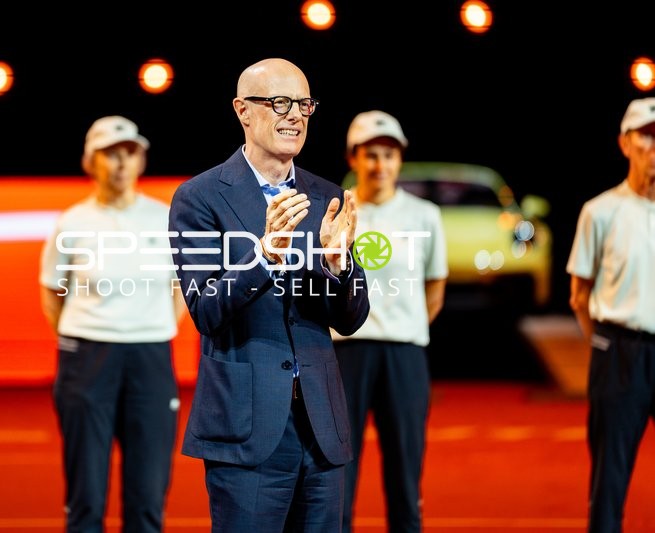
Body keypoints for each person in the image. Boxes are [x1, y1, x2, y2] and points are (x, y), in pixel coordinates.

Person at [168, 57, 370, 533]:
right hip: (247, 427)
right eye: (279, 102)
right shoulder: (200, 198)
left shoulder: (327, 196)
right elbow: (205, 308)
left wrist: (338, 266)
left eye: (304, 104)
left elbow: (353, 317)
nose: (295, 115)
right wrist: (265, 256)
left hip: (321, 425)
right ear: (243, 110)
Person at [39, 115, 184, 533]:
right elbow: (53, 291)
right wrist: (85, 332)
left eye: (129, 154)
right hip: (87, 358)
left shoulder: (166, 218)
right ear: (91, 162)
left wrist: (153, 327)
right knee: (86, 498)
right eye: (110, 154)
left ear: (140, 161)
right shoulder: (72, 222)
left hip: (152, 358)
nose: (121, 163)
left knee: (148, 496)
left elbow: (181, 286)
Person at [332, 111, 448, 533]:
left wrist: (407, 324)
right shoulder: (334, 211)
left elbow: (435, 287)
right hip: (344, 355)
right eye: (371, 154)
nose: (380, 164)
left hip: (404, 355)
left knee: (404, 472)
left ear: (399, 160)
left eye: (389, 154)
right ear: (353, 158)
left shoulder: (425, 215)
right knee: (338, 472)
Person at [567, 97, 655, 533]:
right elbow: (579, 296)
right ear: (625, 143)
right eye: (647, 136)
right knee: (610, 476)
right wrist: (605, 343)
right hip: (620, 351)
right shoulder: (600, 211)